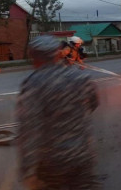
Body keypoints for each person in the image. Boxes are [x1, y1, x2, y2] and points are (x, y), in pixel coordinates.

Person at [16, 35, 100, 189]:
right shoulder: (80, 76)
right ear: (56, 53)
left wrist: (28, 170)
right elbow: (94, 103)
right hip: (82, 155)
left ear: (33, 57)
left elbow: (28, 129)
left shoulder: (32, 84)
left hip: (52, 163)